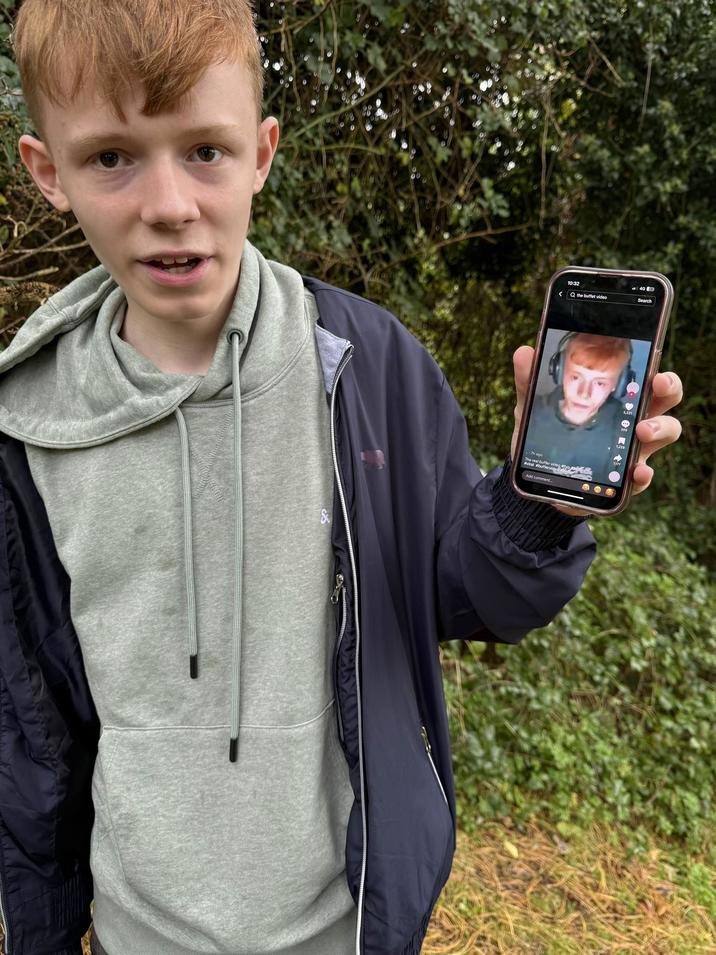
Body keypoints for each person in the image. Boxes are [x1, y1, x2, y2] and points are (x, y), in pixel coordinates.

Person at [0, 2, 682, 954]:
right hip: (131, 931)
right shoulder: (28, 427)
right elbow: (36, 726)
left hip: (343, 928)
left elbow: (459, 594)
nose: (168, 203)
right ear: (48, 173)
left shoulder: (369, 364)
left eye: (205, 150)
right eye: (112, 157)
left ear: (263, 153)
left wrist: (535, 506)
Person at [523, 333, 634, 483]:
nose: (584, 394)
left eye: (600, 383)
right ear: (559, 371)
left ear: (619, 385)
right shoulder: (531, 411)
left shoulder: (627, 430)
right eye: (575, 377)